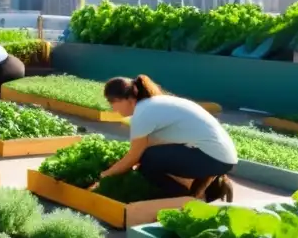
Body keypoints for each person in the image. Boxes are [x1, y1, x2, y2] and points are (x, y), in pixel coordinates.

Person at [99, 75, 236, 201]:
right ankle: (212, 188)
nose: (112, 108)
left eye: (113, 102)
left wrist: (105, 175)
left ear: (129, 99)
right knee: (151, 157)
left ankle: (181, 198)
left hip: (213, 158)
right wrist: (120, 165)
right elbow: (145, 147)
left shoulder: (143, 113)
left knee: (148, 160)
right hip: (222, 156)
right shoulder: (152, 104)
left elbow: (135, 156)